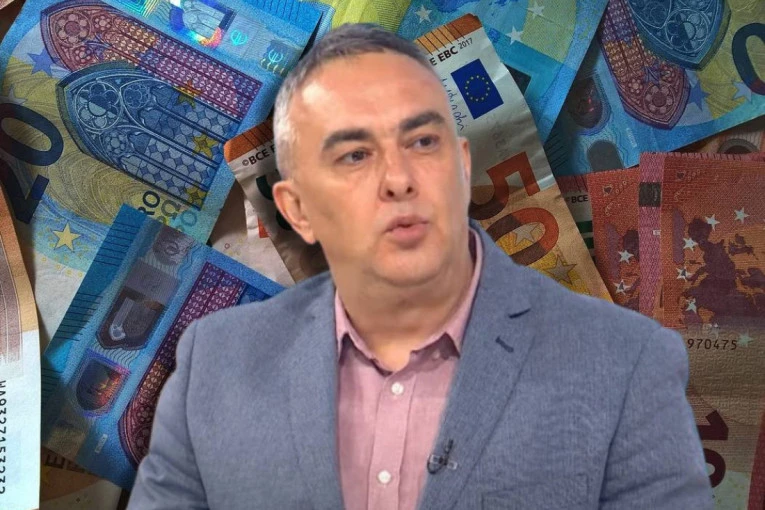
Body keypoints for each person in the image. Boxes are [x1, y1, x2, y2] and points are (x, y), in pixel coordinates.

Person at [128, 23, 713, 510]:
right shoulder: (214, 366)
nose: (399, 179)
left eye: (423, 142)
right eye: (355, 155)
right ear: (297, 210)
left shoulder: (626, 362)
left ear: (463, 167)